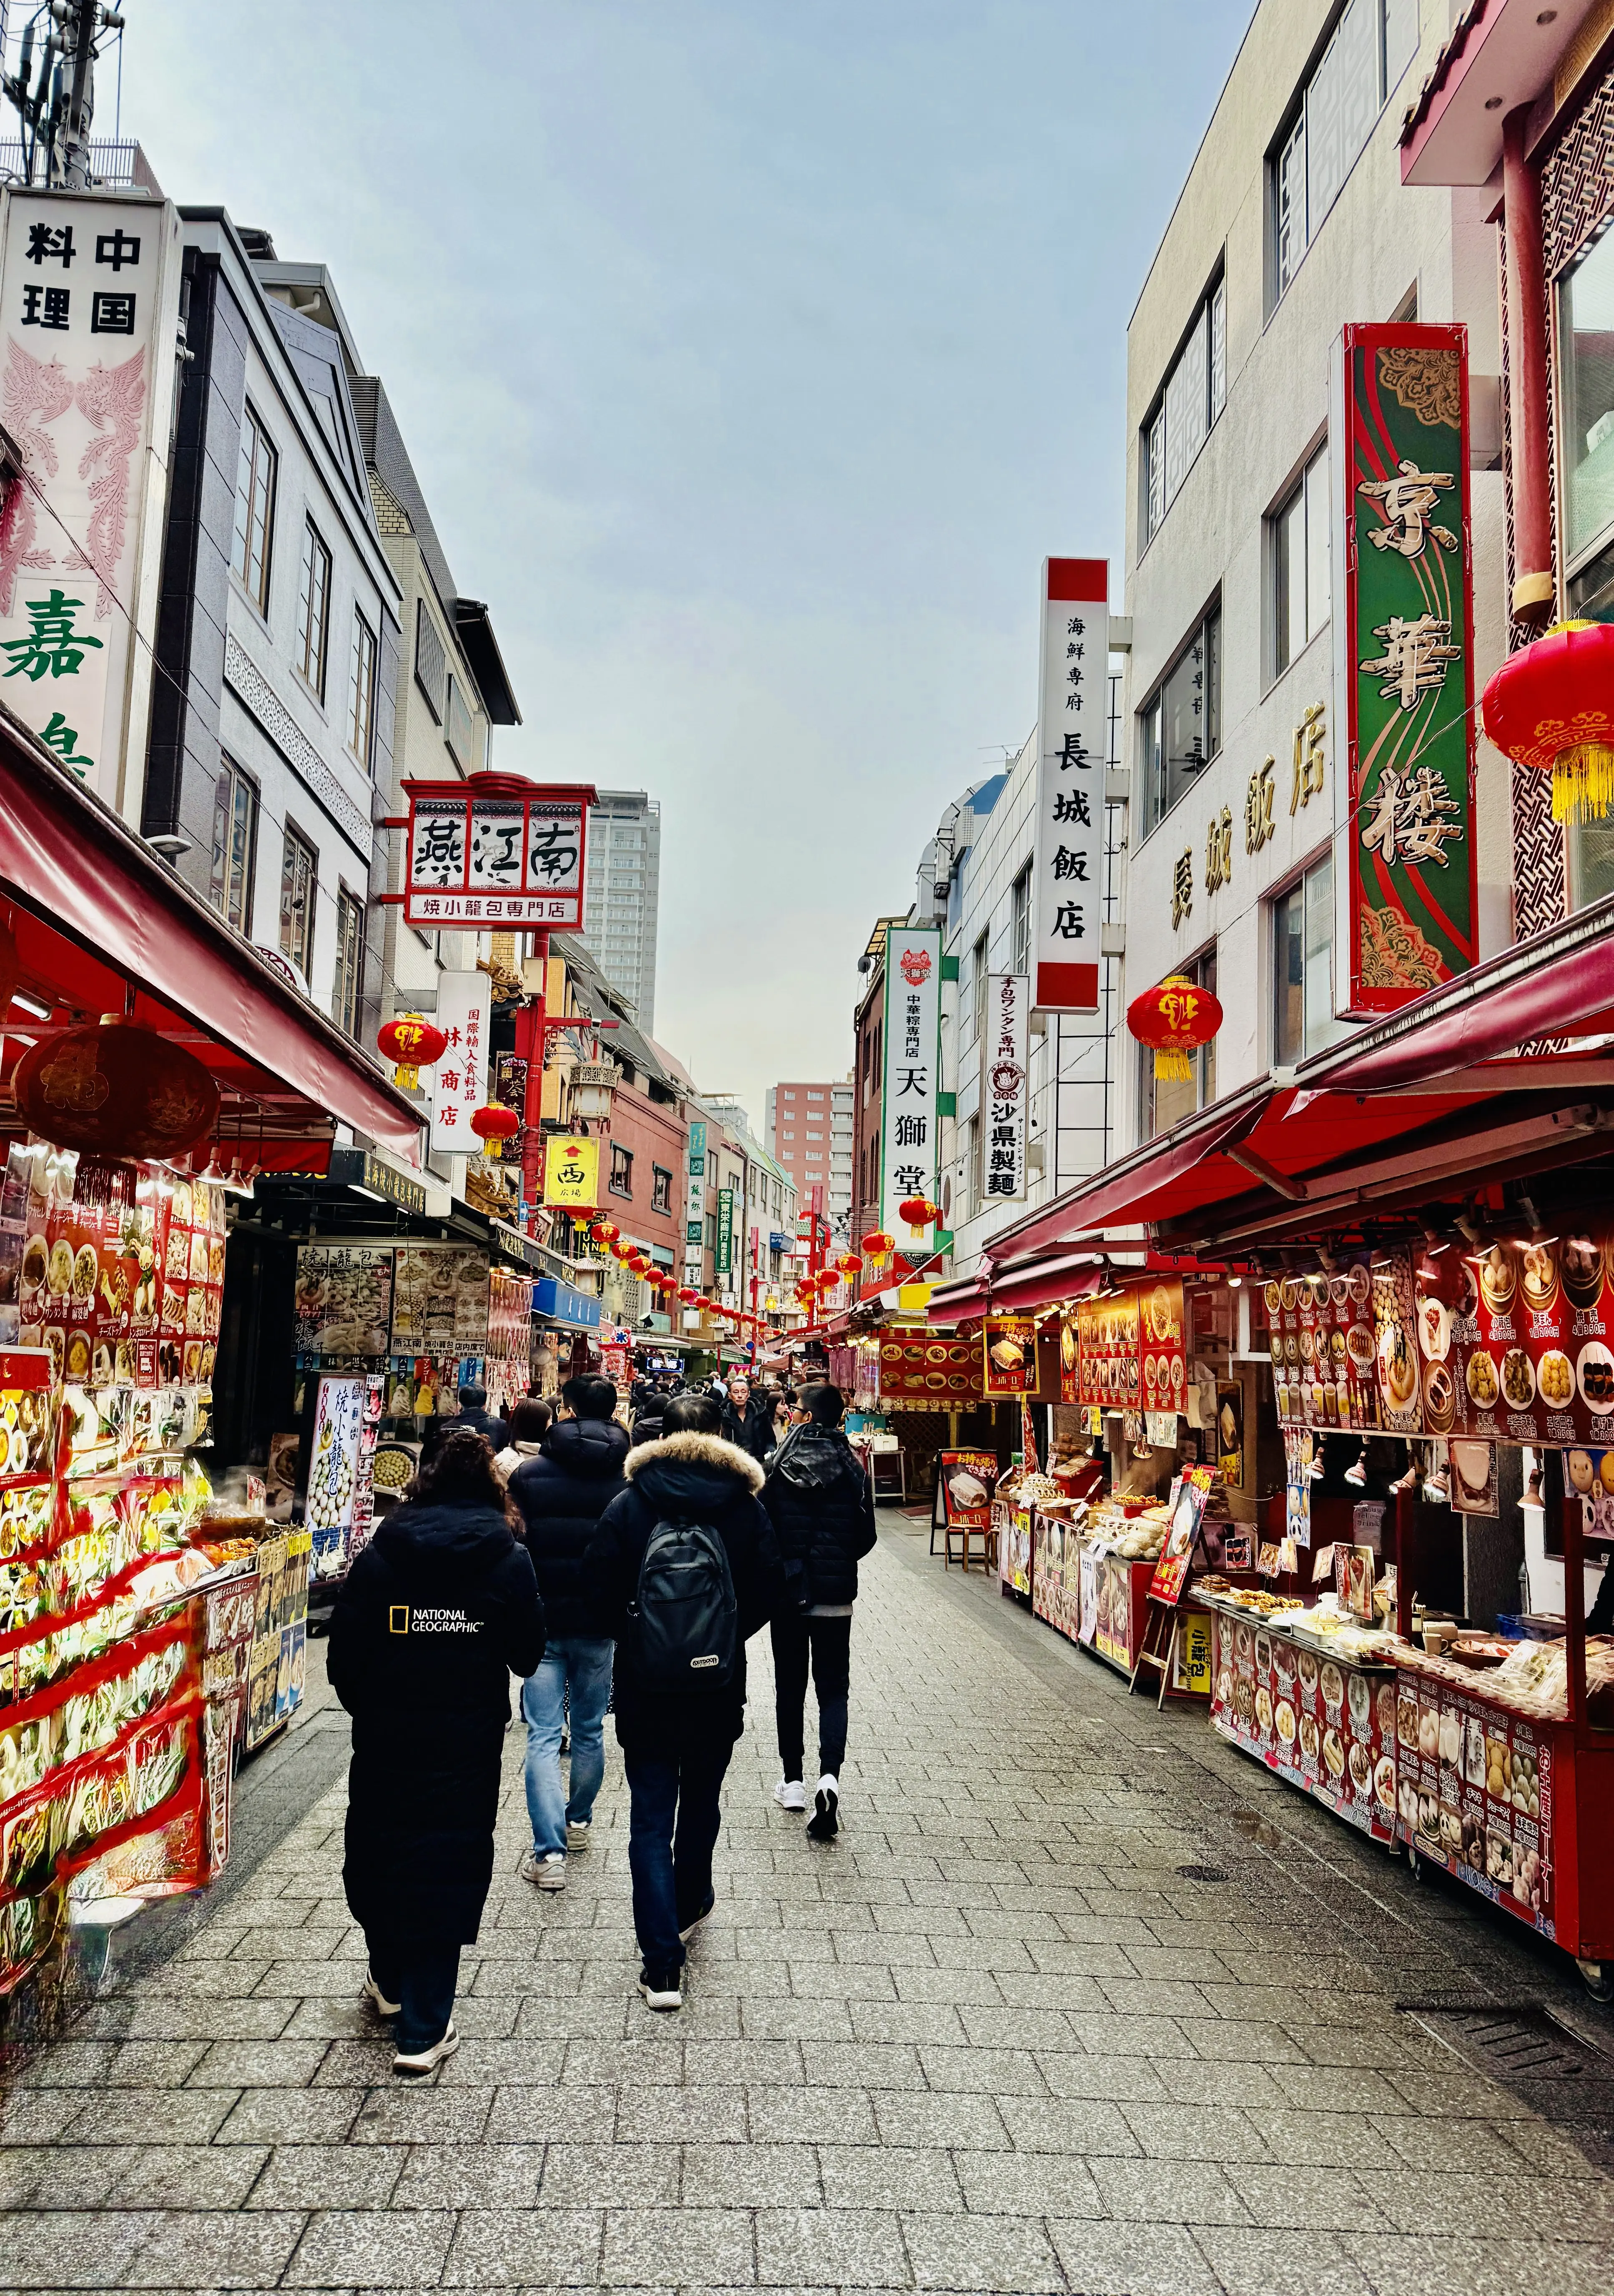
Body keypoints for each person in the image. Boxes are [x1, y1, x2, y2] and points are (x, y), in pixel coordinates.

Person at [327, 1429, 544, 2077]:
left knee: (380, 1848)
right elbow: (527, 1654)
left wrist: (372, 1702)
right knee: (447, 1858)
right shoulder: (507, 1557)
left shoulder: (382, 1552)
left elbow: (343, 1657)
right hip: (466, 1738)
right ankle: (422, 2027)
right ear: (491, 1487)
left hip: (388, 1733)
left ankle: (388, 1979)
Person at [584, 1391, 784, 2010]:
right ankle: (693, 1899)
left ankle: (661, 1966)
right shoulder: (744, 1506)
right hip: (715, 1686)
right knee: (700, 1802)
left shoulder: (628, 1503)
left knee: (648, 1817)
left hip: (645, 1688)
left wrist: (639, 1636)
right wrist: (719, 1638)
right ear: (721, 1433)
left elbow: (595, 1592)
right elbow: (768, 1589)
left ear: (654, 1436)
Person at [508, 1375, 629, 1889]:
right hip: (599, 1622)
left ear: (568, 1410)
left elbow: (510, 1541)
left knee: (540, 1733)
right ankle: (578, 1822)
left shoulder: (529, 1475)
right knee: (588, 1728)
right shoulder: (629, 1477)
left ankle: (549, 1852)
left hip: (541, 1618)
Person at [762, 1382, 877, 1841]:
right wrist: (837, 1560)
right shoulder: (853, 1467)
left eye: (795, 1410)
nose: (789, 1415)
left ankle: (793, 1782)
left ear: (807, 1417)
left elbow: (762, 1527)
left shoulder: (777, 1466)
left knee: (790, 1686)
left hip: (790, 1596)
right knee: (833, 1690)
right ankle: (829, 1777)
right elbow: (865, 1536)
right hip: (835, 1598)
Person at [420, 1382, 510, 1468]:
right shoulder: (500, 1426)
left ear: (460, 1404)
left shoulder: (443, 1427)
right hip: (483, 1480)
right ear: (485, 1404)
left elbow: (428, 1462)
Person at [720, 1374, 776, 1465]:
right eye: (736, 1392)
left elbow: (770, 1440)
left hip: (758, 1463)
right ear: (730, 1395)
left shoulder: (760, 1414)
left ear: (748, 1394)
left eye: (743, 1392)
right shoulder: (723, 1416)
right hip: (733, 1465)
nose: (740, 1396)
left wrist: (769, 1455)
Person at [493, 1395, 552, 1482]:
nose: (552, 1425)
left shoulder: (550, 1455)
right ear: (538, 1425)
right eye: (550, 1420)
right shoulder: (506, 1463)